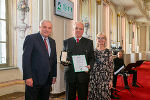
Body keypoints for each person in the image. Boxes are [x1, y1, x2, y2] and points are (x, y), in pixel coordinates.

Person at [22, 20, 57, 100]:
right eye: (44, 27)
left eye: (49, 28)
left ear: (51, 30)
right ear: (40, 27)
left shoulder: (52, 42)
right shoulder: (31, 38)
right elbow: (26, 59)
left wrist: (54, 75)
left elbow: (53, 59)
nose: (47, 30)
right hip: (34, 79)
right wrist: (27, 77)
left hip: (47, 80)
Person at [62, 22, 94, 100]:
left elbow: (92, 58)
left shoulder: (89, 42)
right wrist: (63, 61)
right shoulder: (66, 42)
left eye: (80, 29)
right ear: (73, 29)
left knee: (83, 97)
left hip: (83, 76)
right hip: (70, 76)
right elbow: (63, 57)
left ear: (83, 30)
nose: (78, 30)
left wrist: (90, 66)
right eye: (76, 28)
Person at [88, 33, 113, 100]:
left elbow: (111, 67)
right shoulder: (93, 52)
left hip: (105, 78)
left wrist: (110, 80)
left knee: (104, 96)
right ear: (96, 40)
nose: (100, 40)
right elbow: (89, 65)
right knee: (94, 96)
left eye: (102, 38)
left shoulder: (108, 52)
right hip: (94, 78)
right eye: (99, 38)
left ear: (105, 40)